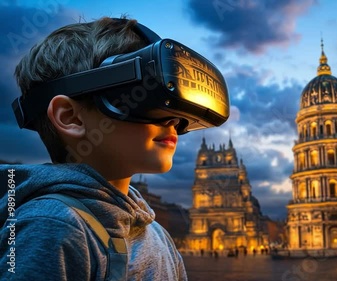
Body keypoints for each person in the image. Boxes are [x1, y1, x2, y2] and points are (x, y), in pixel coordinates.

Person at [0, 16, 227, 280]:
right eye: (144, 95)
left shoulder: (157, 233)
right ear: (71, 118)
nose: (173, 120)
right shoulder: (52, 225)